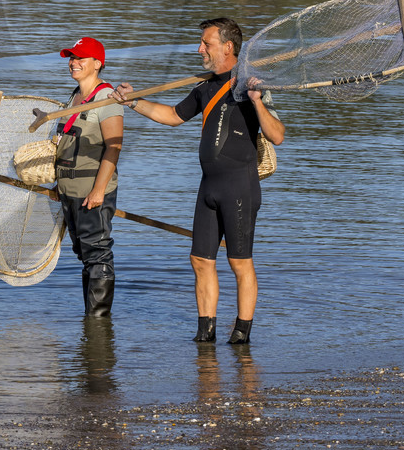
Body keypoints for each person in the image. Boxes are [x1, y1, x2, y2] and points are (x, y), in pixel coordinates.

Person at [118, 18, 285, 344]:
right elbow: (172, 117)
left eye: (206, 43)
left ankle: (241, 335)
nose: (199, 49)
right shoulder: (205, 87)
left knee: (239, 262)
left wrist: (256, 100)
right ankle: (205, 334)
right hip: (208, 187)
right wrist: (133, 101)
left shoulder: (253, 84)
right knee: (199, 259)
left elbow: (277, 136)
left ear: (227, 46)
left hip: (240, 187)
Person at [53, 37, 123, 317]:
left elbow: (114, 146)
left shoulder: (107, 99)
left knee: (98, 254)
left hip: (92, 191)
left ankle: (98, 323)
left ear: (97, 64)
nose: (73, 63)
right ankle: (91, 321)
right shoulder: (74, 96)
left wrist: (99, 191)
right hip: (69, 190)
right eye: (71, 58)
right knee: (84, 254)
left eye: (80, 58)